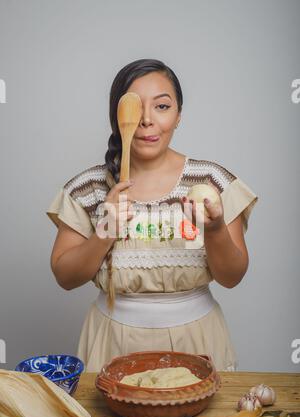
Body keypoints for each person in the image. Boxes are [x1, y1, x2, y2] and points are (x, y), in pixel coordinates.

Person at [46, 58, 258, 372]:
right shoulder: (89, 187)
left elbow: (232, 277)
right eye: (136, 108)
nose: (147, 120)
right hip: (112, 343)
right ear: (116, 117)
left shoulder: (211, 182)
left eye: (161, 106)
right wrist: (105, 230)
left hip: (196, 342)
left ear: (179, 115)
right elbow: (65, 277)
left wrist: (214, 230)